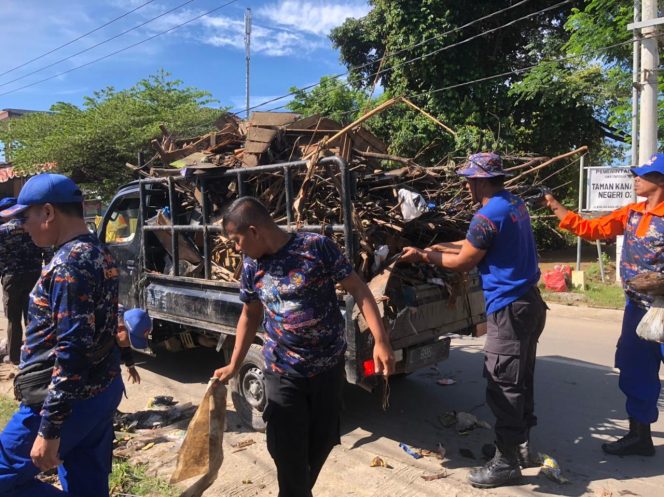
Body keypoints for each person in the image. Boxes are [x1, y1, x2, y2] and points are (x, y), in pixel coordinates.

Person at [213, 197, 395, 497]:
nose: (236, 248)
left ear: (254, 230)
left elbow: (358, 289)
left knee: (322, 441)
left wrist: (381, 340)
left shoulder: (316, 248)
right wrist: (235, 364)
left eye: (237, 239)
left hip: (327, 368)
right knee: (286, 451)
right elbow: (250, 314)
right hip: (282, 371)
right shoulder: (251, 267)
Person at [400, 152, 547, 489]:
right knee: (521, 378)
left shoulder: (486, 214)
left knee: (503, 384)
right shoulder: (513, 204)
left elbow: (465, 262)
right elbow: (473, 244)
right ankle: (520, 448)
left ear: (479, 180)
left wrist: (424, 254)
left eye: (469, 179)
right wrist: (442, 245)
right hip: (530, 304)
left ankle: (506, 463)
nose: (466, 185)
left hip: (509, 308)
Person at [0, 173, 123, 497]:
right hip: (102, 387)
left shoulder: (68, 265)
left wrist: (50, 428)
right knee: (87, 484)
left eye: (25, 217)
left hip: (63, 400)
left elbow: (72, 350)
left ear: (49, 212)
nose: (23, 227)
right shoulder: (100, 252)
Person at [544, 153, 664, 457]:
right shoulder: (632, 213)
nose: (635, 177)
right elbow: (591, 228)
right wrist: (555, 206)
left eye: (643, 174)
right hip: (638, 309)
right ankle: (640, 436)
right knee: (635, 370)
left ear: (660, 180)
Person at [0, 197, 51, 365]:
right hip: (35, 276)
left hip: (12, 279)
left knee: (14, 319)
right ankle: (34, 353)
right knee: (34, 315)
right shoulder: (33, 225)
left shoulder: (3, 231)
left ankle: (14, 357)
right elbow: (47, 251)